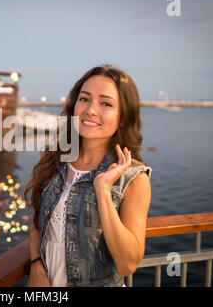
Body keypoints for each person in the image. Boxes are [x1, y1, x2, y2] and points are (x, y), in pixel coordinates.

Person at [25, 64, 152, 287]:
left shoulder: (134, 179)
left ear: (123, 116)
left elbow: (127, 265)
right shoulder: (54, 160)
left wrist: (102, 190)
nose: (91, 110)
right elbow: (37, 221)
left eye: (106, 103)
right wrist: (36, 266)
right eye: (84, 99)